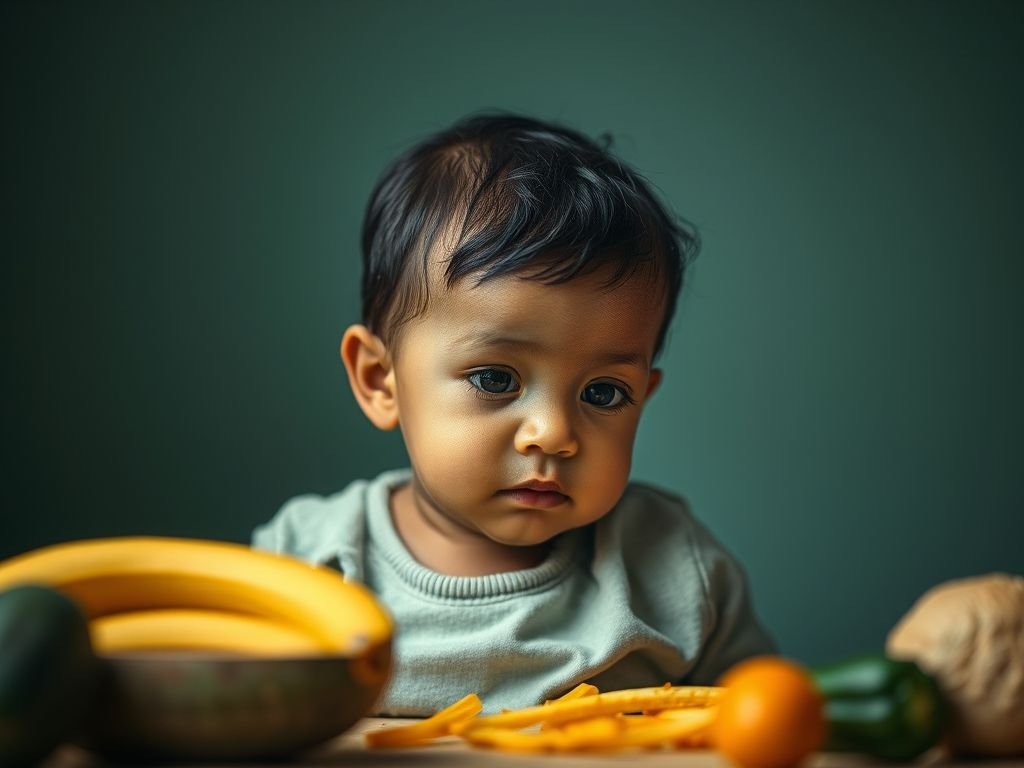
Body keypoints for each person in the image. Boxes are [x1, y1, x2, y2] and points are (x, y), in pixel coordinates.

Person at [252, 112, 776, 715]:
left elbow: (770, 722)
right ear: (380, 380)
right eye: (496, 379)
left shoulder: (673, 570)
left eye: (603, 393)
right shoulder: (309, 561)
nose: (553, 434)